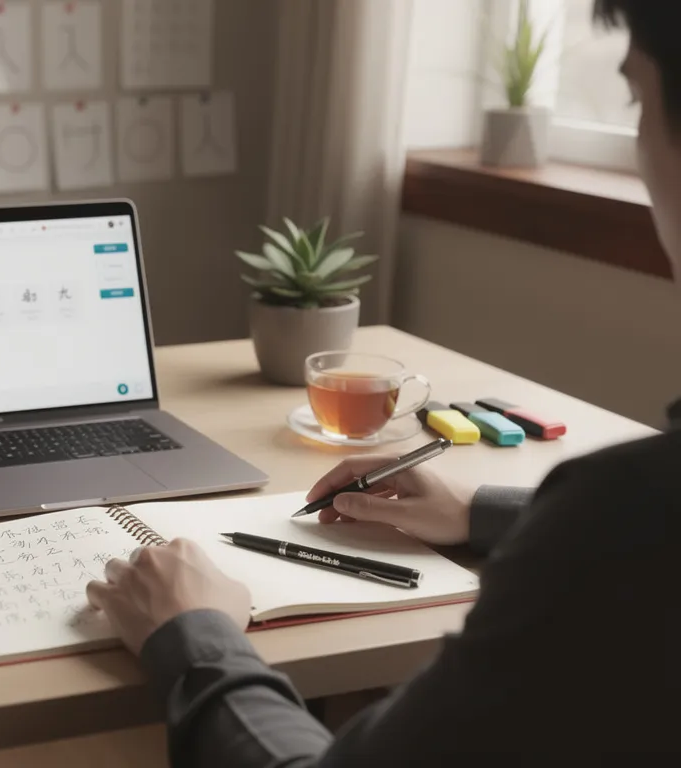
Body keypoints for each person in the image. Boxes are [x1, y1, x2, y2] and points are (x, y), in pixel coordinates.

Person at [86, 1, 679, 763]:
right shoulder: (624, 514)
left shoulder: (626, 517)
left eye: (635, 99)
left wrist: (193, 634)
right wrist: (485, 514)